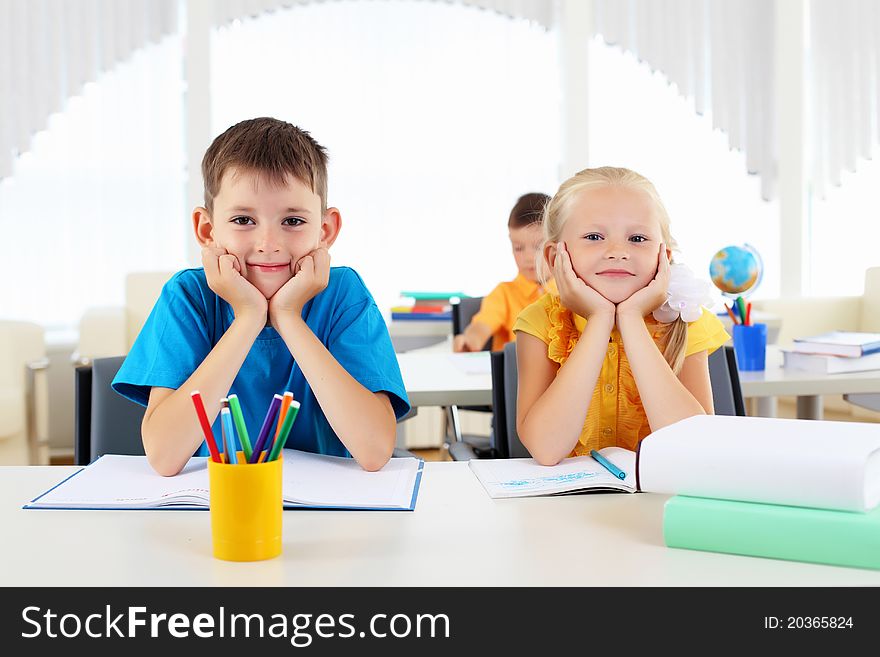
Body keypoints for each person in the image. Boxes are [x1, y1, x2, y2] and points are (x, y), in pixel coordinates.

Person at [113, 117, 409, 476]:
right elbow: (164, 456)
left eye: (293, 221)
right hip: (215, 512)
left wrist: (288, 316)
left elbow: (375, 450)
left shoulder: (343, 294)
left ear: (325, 229)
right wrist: (248, 318)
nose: (268, 245)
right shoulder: (188, 298)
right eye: (242, 220)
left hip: (326, 511)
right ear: (207, 230)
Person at [513, 167, 729, 465]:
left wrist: (630, 318)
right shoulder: (540, 321)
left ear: (663, 257)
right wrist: (600, 318)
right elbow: (546, 449)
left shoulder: (685, 318)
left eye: (638, 238)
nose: (617, 251)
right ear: (555, 257)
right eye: (593, 236)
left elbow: (691, 448)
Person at [453, 192, 552, 352]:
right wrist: (469, 340)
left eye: (538, 246)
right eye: (518, 248)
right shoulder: (504, 294)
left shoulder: (572, 293)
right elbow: (481, 326)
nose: (528, 257)